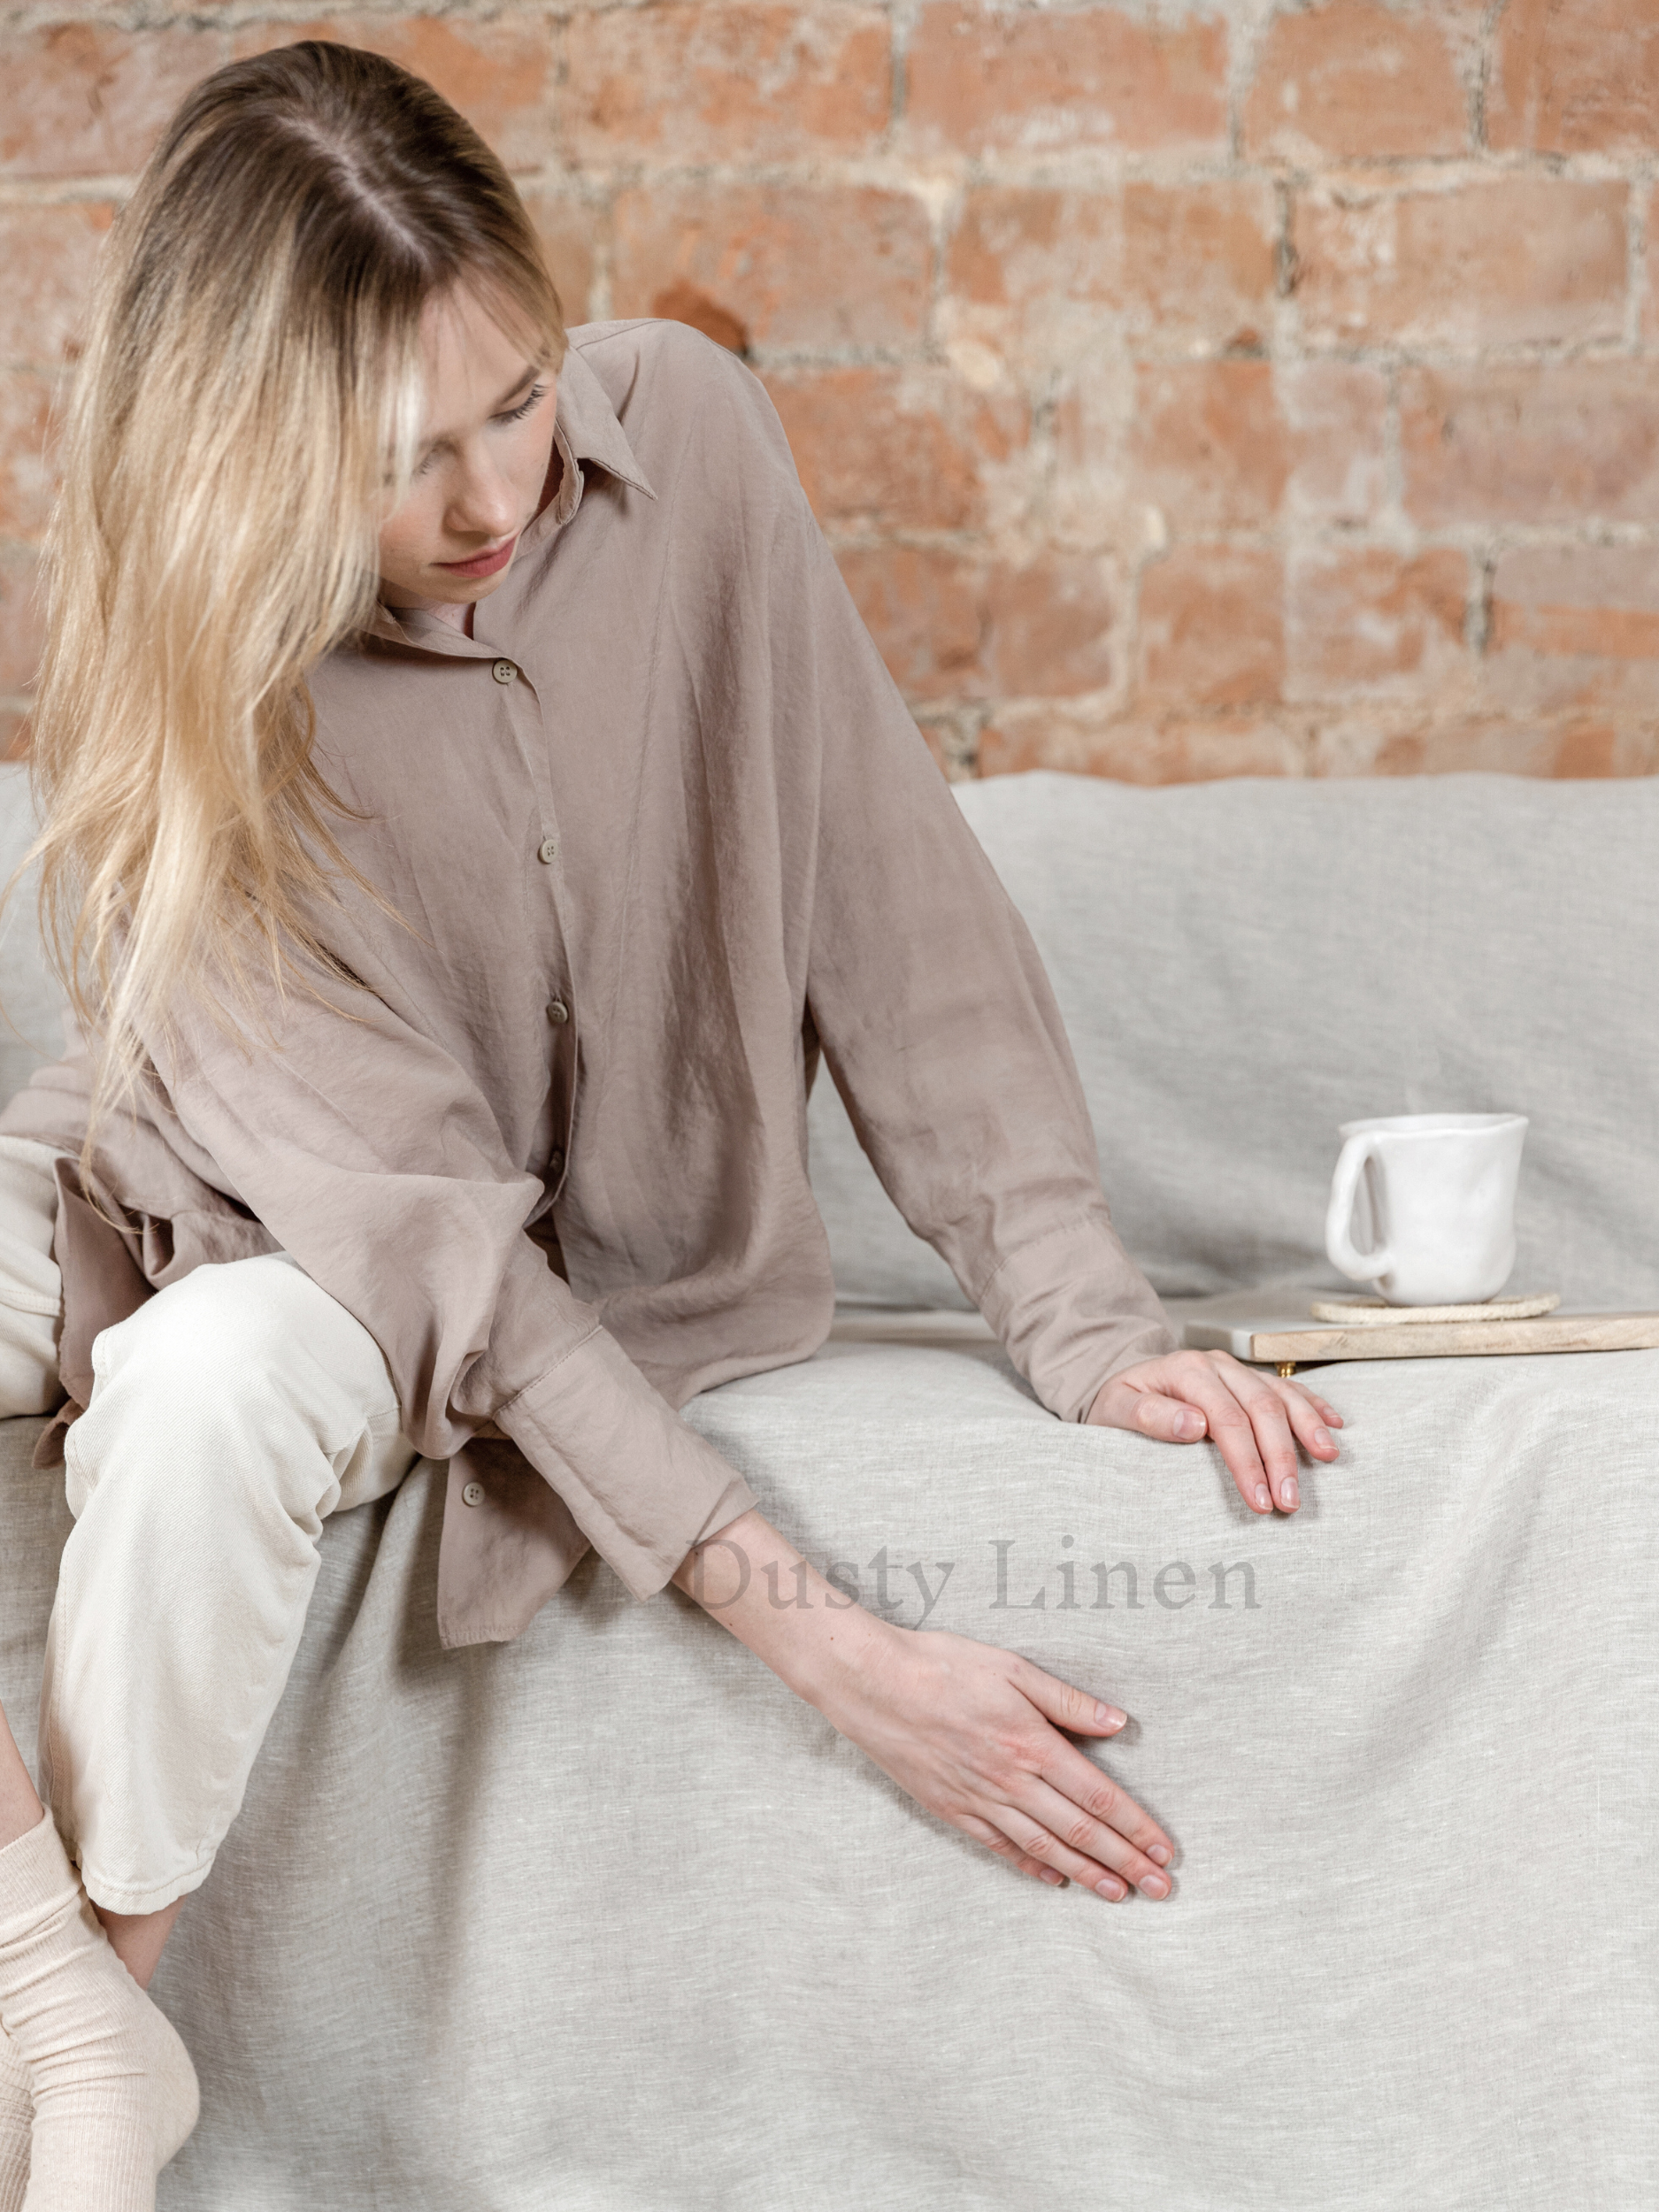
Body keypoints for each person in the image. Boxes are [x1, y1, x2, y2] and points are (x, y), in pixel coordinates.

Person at [0, 41, 1342, 2207]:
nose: (488, 501)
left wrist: (1085, 1317)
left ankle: (89, 2069)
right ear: (250, 454)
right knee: (195, 1331)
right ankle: (73, 2039)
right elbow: (430, 1237)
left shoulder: (691, 440)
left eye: (514, 398)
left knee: (211, 1387)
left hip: (339, 1287)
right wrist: (837, 1646)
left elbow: (889, 893)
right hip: (201, 1182)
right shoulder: (186, 672)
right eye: (394, 460)